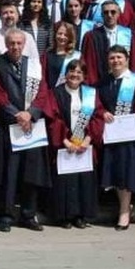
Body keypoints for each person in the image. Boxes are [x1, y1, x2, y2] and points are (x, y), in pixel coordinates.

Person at [0, 29, 55, 232]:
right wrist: (16, 114)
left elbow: (42, 91)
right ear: (6, 44)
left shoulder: (34, 65)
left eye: (19, 43)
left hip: (31, 125)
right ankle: (5, 215)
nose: (15, 47)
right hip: (8, 126)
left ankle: (29, 215)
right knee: (8, 174)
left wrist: (31, 113)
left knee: (31, 172)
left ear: (24, 44)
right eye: (11, 43)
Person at [97, 45, 135, 231]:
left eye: (119, 58)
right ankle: (125, 207)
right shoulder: (104, 82)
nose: (115, 61)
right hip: (112, 134)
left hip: (131, 135)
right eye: (112, 58)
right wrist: (103, 112)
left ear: (127, 59)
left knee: (126, 172)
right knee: (114, 172)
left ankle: (123, 212)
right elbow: (98, 104)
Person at [48, 60, 104, 229]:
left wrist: (87, 140)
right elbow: (53, 119)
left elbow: (97, 116)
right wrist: (65, 141)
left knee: (83, 180)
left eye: (79, 72)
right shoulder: (55, 93)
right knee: (65, 181)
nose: (75, 75)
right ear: (66, 74)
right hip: (64, 145)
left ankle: (80, 216)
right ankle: (64, 216)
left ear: (84, 76)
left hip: (84, 146)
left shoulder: (90, 94)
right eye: (72, 71)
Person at [79, 0, 135, 86]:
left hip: (126, 84)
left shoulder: (130, 35)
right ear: (101, 15)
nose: (109, 15)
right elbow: (89, 65)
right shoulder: (91, 37)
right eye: (106, 12)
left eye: (113, 12)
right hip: (101, 83)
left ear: (119, 13)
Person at [45, 22, 81, 89]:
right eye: (60, 33)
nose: (62, 37)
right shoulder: (47, 55)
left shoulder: (77, 56)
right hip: (50, 94)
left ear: (70, 37)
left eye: (66, 35)